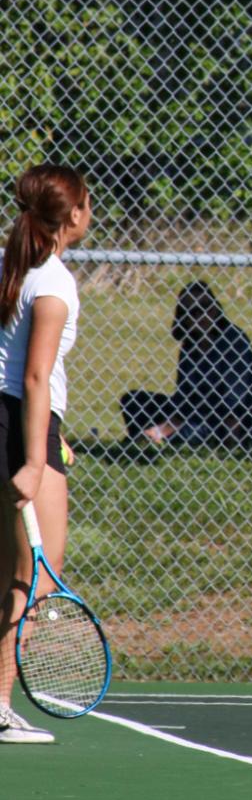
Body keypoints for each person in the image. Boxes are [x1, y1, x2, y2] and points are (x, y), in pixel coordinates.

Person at [0, 164, 92, 745]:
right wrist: (35, 461)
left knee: (10, 577)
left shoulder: (9, 265)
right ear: (71, 215)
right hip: (19, 430)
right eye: (87, 203)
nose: (92, 211)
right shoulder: (54, 282)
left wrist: (51, 435)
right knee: (32, 581)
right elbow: (34, 376)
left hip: (19, 424)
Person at [120, 280, 252, 449]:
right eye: (193, 311)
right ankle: (149, 439)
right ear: (183, 316)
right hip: (188, 413)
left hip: (223, 421)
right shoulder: (190, 344)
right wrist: (175, 418)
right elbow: (182, 394)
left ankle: (154, 438)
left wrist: (171, 424)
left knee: (186, 429)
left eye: (208, 306)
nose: (203, 314)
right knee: (134, 400)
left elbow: (233, 400)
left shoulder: (233, 340)